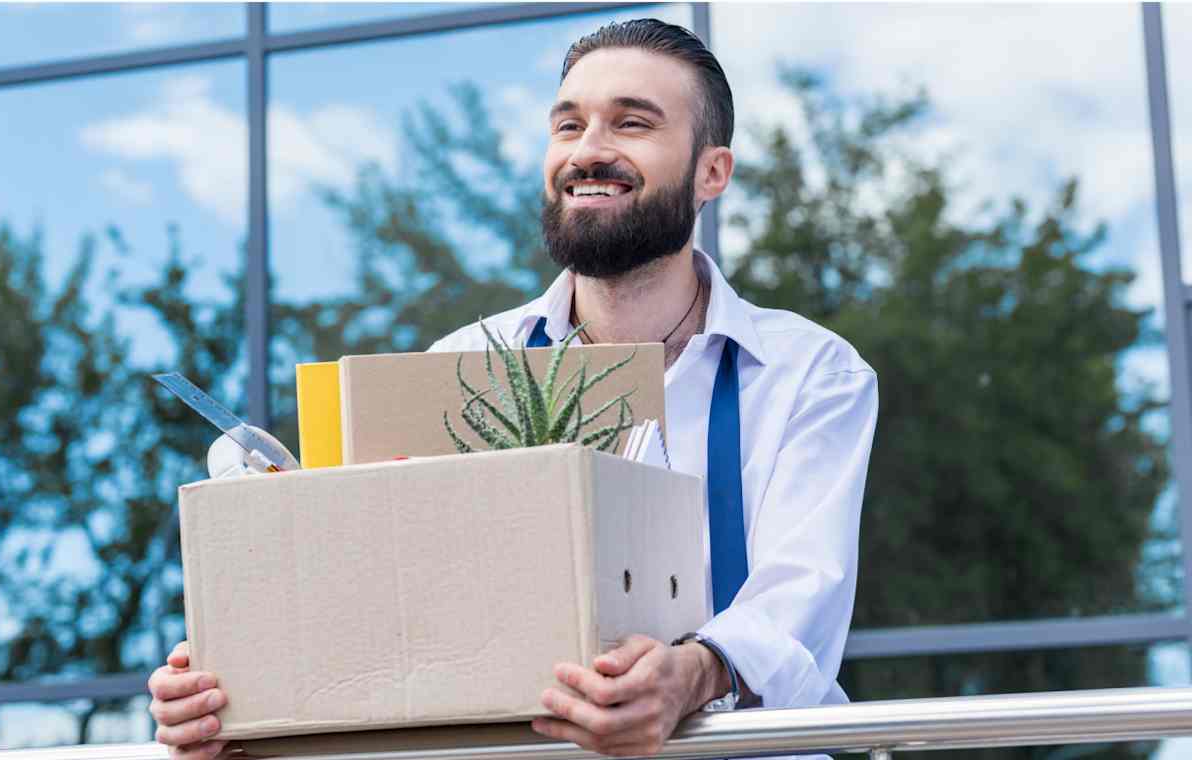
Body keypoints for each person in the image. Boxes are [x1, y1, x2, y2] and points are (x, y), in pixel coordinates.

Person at [149, 19, 877, 760]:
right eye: (568, 125)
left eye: (632, 122)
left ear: (711, 172)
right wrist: (238, 704)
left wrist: (691, 674)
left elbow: (802, 598)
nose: (589, 149)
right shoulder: (464, 362)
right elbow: (389, 616)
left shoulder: (809, 374)